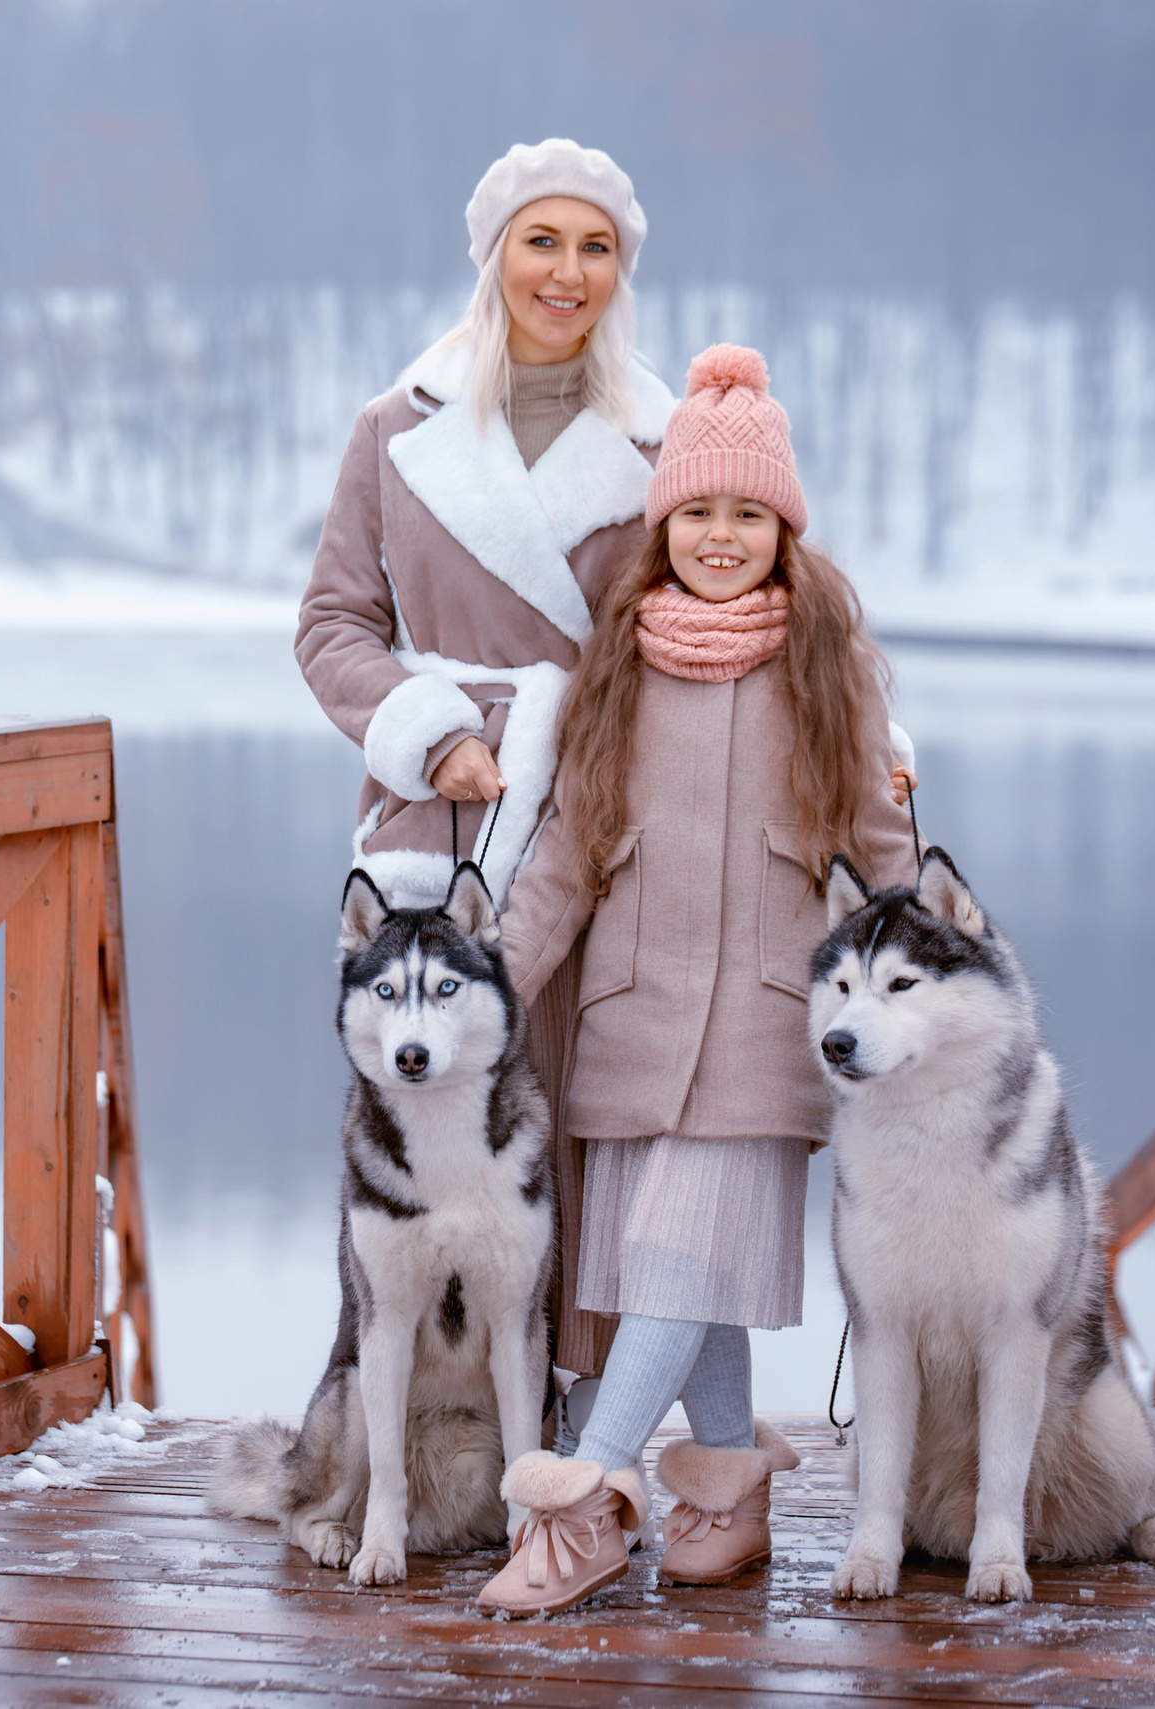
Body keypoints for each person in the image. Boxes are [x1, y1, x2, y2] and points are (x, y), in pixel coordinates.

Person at [474, 345, 919, 1617]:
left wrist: (952, 972)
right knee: (690, 1284)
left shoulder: (827, 668)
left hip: (770, 1033)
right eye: (697, 513)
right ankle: (726, 1499)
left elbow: (882, 859)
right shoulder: (623, 667)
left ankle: (590, 1497)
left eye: (747, 514)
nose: (720, 537)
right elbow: (565, 856)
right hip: (631, 1023)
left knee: (675, 1262)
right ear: (663, 522)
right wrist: (492, 988)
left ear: (783, 529)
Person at [294, 138, 672, 1395]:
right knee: (424, 1133)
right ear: (495, 254)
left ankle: (575, 1432)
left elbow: (761, 608)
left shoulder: (666, 442)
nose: (566, 273)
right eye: (541, 241)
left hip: (603, 814)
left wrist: (871, 753)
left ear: (623, 268)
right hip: (440, 825)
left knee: (582, 1119)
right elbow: (331, 625)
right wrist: (426, 728)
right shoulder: (393, 430)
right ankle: (398, 1419)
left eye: (596, 246)